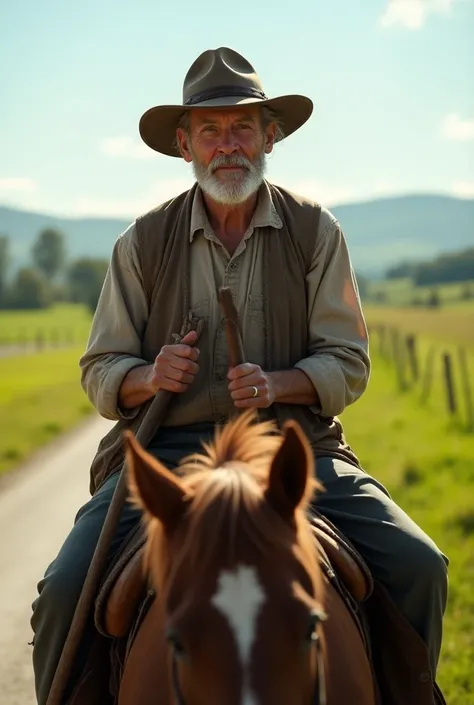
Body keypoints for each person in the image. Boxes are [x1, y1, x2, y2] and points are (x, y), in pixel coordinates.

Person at [30, 46, 448, 704]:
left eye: (243, 127)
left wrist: (280, 384)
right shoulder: (140, 242)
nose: (229, 145)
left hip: (294, 451)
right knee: (62, 593)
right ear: (184, 143)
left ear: (270, 135)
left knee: (420, 565)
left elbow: (349, 359)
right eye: (211, 130)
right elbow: (99, 368)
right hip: (169, 457)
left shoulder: (316, 232)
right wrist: (148, 375)